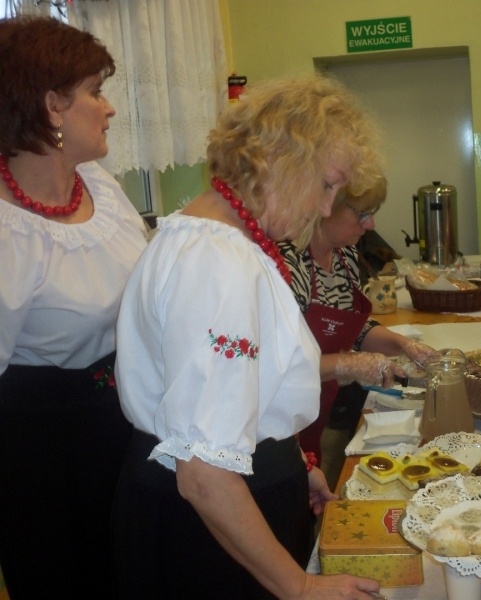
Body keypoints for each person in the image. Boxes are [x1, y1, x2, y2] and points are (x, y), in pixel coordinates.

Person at [114, 75, 385, 599]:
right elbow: (204, 475)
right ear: (281, 159)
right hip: (204, 526)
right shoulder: (220, 263)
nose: (328, 208)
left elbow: (226, 402)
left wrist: (288, 461)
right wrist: (302, 588)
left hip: (220, 496)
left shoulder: (200, 235)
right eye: (327, 184)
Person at [0, 16, 148, 599]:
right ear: (52, 106)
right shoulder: (7, 230)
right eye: (96, 91)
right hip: (43, 452)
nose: (108, 108)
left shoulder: (100, 187)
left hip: (123, 419)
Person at [279, 176, 435, 461]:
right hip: (284, 425)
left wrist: (403, 345)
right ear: (325, 205)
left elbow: (356, 328)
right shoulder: (288, 264)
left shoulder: (345, 256)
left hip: (320, 409)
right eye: (362, 213)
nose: (371, 225)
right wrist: (348, 363)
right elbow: (281, 366)